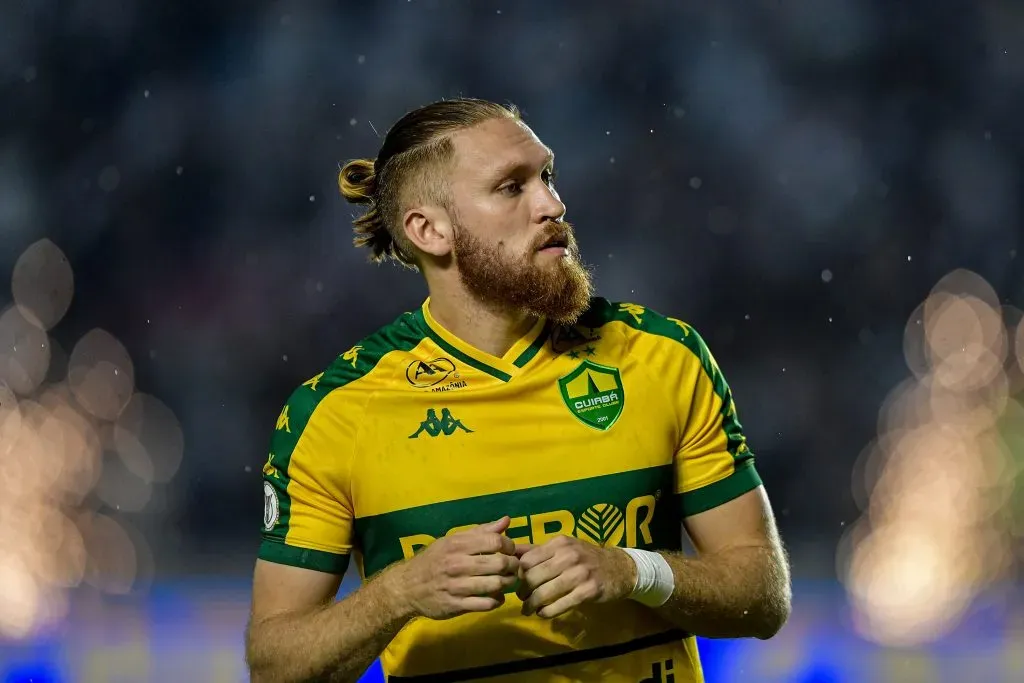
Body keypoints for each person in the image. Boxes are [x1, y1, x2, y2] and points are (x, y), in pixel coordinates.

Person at [244, 98, 791, 683]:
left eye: (547, 177)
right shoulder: (335, 413)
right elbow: (276, 665)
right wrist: (398, 594)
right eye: (511, 187)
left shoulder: (661, 356)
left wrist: (636, 570)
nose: (553, 205)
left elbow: (762, 593)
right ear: (429, 230)